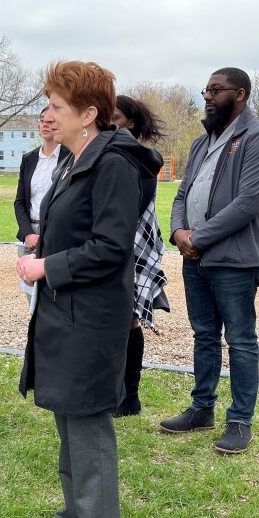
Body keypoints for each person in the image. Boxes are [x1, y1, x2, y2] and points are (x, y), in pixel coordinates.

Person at [17, 61, 163, 518]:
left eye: (56, 106)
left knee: (88, 427)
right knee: (67, 418)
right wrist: (45, 248)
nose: (47, 115)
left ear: (89, 113)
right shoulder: (75, 158)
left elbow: (110, 247)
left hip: (91, 318)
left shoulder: (115, 164)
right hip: (63, 311)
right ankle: (75, 514)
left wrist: (44, 266)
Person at [160, 68, 259, 455]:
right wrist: (179, 234)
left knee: (241, 340)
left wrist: (199, 238)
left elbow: (247, 204)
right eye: (205, 90)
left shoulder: (258, 138)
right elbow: (182, 196)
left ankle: (240, 420)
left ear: (239, 93)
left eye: (215, 90)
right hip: (194, 257)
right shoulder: (201, 143)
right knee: (204, 335)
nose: (207, 96)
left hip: (233, 260)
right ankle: (201, 408)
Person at [109, 95, 170, 417]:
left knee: (130, 319)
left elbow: (133, 205)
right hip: (115, 241)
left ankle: (129, 396)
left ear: (130, 123)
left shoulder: (144, 158)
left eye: (116, 118)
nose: (110, 123)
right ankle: (115, 391)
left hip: (134, 244)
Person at [13, 106, 67, 304]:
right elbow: (20, 201)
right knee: (31, 298)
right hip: (31, 235)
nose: (45, 124)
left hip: (56, 232)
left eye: (50, 120)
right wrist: (27, 233)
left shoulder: (70, 157)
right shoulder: (29, 159)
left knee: (53, 295)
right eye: (42, 120)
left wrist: (47, 233)